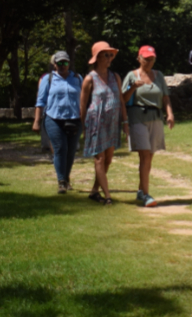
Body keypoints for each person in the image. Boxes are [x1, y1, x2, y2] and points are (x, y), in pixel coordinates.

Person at [123, 45, 174, 207]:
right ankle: (146, 195)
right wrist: (133, 87)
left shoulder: (159, 76)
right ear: (139, 58)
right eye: (146, 58)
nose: (150, 61)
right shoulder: (132, 76)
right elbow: (123, 99)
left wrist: (170, 114)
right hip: (137, 118)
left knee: (150, 156)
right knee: (145, 155)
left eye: (152, 58)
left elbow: (165, 98)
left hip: (156, 118)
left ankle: (140, 190)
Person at [79, 41, 126, 205]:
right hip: (96, 123)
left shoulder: (115, 77)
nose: (109, 58)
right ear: (97, 57)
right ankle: (107, 196)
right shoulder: (89, 79)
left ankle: (94, 191)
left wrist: (125, 121)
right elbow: (82, 104)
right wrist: (83, 126)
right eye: (106, 54)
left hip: (113, 124)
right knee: (99, 158)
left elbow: (120, 99)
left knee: (108, 159)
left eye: (111, 55)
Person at [33, 51, 82, 194]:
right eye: (59, 63)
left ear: (69, 64)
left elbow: (85, 99)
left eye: (65, 63)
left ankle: (66, 178)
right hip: (53, 118)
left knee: (71, 151)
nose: (62, 66)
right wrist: (37, 121)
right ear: (54, 64)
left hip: (74, 119)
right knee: (60, 149)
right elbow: (40, 102)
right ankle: (61, 181)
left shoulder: (78, 78)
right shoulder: (48, 79)